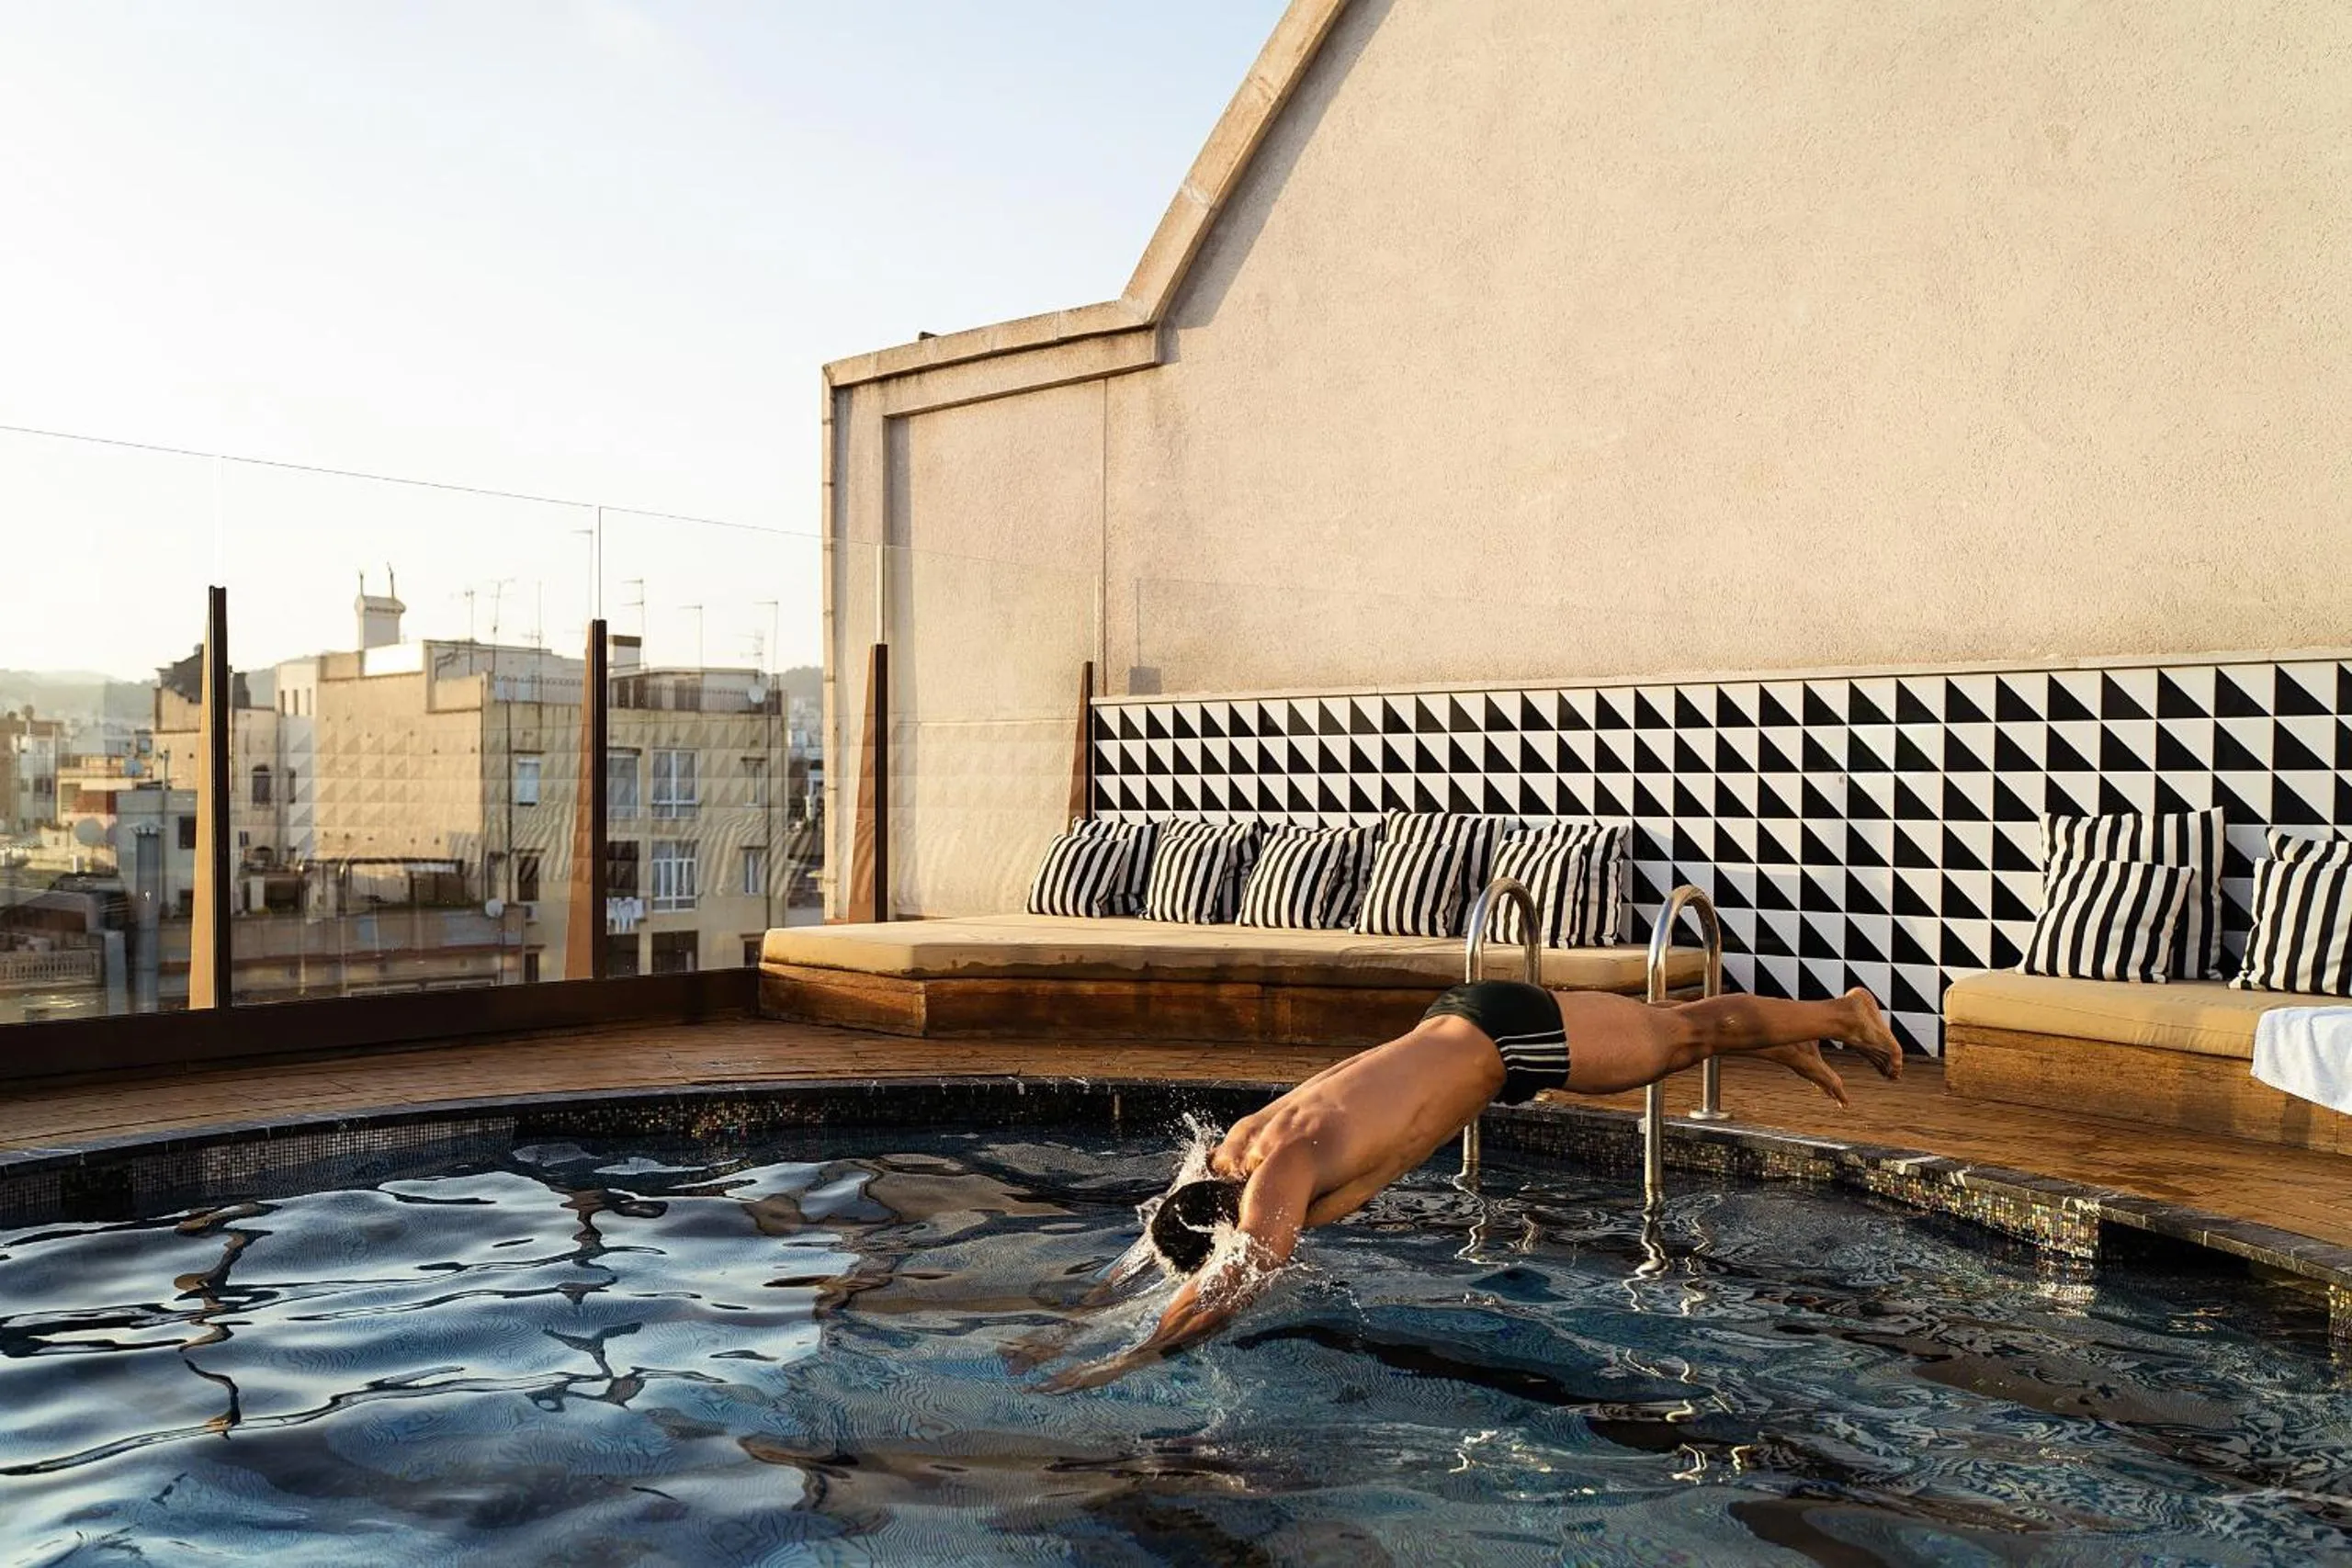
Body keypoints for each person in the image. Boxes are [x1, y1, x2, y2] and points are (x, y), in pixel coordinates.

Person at [1043, 981, 1902, 1390]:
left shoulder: (1282, 1168)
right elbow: (1159, 1237)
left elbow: (1246, 1270)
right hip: (1465, 1024)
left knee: (1678, 1038)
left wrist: (1128, 1357)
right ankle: (1781, 1037)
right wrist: (1075, 1319)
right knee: (1678, 1034)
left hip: (1504, 1039)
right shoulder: (1230, 1150)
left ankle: (1842, 1013)